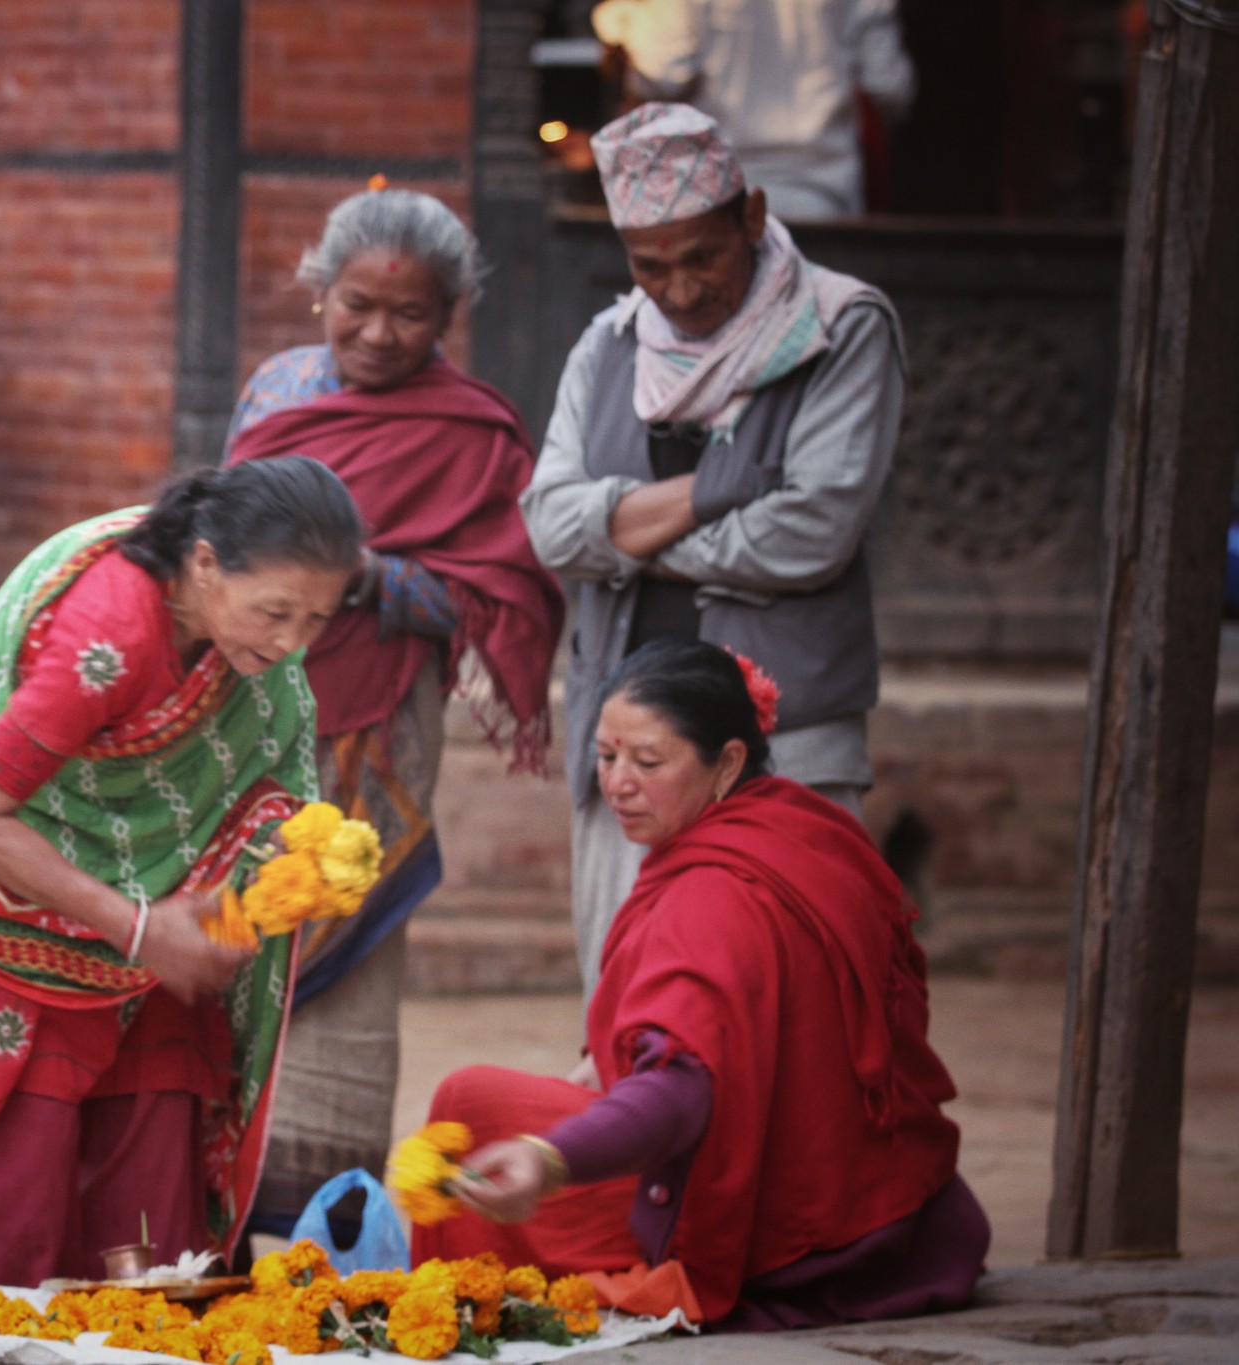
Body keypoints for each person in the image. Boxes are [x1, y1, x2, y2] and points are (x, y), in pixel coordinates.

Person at [0, 458, 362, 1285]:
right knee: (9, 1260)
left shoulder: (234, 640)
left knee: (154, 1254)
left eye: (315, 621)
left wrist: (283, 871)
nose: (288, 645)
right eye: (275, 612)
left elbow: (259, 783)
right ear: (204, 562)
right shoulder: (110, 634)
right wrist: (138, 926)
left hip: (150, 948)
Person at [414, 639, 989, 1330]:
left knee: (469, 1108)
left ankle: (457, 1317)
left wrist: (550, 1159)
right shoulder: (808, 826)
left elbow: (683, 1090)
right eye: (605, 755)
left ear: (728, 762)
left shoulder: (712, 896)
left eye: (648, 762)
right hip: (892, 1207)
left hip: (769, 1228)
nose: (616, 783)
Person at [224, 187, 568, 1234]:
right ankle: (202, 1218)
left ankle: (310, 1230)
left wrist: (366, 577)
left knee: (348, 936)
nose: (378, 333)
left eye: (408, 315)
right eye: (356, 306)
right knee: (230, 940)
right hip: (245, 714)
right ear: (319, 293)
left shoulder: (471, 431)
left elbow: (499, 589)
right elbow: (218, 535)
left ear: (448, 315)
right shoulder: (275, 390)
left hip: (380, 723)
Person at [521, 103, 904, 997]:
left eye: (704, 256)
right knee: (631, 1009)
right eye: (652, 265)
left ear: (753, 217)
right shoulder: (610, 342)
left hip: (790, 737)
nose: (683, 289)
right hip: (631, 745)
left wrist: (624, 538)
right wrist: (716, 490)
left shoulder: (844, 329)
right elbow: (548, 526)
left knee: (784, 1002)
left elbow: (813, 532)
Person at [590, 0, 915, 220]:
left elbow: (663, 73)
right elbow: (888, 85)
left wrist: (621, 23)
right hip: (824, 192)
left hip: (711, 197)